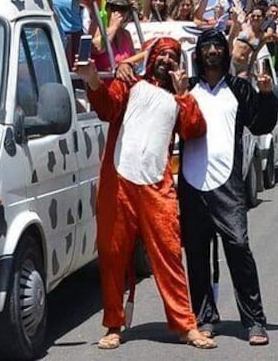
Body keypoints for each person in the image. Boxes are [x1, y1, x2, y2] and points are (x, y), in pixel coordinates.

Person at [75, 36, 216, 351]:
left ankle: (185, 325)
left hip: (156, 186)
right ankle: (114, 324)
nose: (167, 61)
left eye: (173, 57)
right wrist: (94, 81)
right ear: (151, 57)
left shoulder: (180, 97)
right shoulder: (130, 84)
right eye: (162, 55)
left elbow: (195, 129)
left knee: (168, 255)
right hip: (119, 181)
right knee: (112, 255)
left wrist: (183, 94)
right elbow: (106, 107)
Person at [179, 28, 278, 346]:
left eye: (217, 47)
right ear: (198, 54)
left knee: (238, 247)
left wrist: (266, 96)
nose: (212, 52)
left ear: (225, 53)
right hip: (192, 185)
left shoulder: (239, 88)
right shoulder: (187, 89)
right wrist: (177, 91)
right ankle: (205, 318)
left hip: (228, 185)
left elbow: (261, 125)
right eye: (206, 47)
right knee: (196, 253)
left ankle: (254, 321)